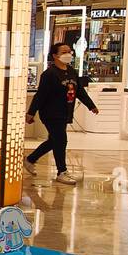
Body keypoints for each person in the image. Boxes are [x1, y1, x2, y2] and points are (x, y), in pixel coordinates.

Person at [25, 41, 98, 185]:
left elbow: (79, 91)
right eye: (64, 52)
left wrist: (91, 106)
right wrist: (31, 112)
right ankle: (62, 171)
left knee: (54, 140)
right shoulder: (49, 74)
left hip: (65, 112)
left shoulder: (71, 71)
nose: (68, 54)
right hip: (51, 113)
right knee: (61, 141)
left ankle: (30, 159)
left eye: (69, 51)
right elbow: (41, 95)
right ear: (55, 55)